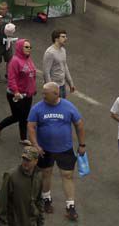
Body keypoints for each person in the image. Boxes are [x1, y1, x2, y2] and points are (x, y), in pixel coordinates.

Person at [27, 82, 85, 221]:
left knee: (67, 175)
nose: (43, 96)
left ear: (56, 94)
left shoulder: (68, 106)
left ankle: (70, 206)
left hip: (65, 149)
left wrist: (82, 144)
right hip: (44, 149)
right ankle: (46, 199)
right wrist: (35, 145)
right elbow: (31, 126)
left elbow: (79, 124)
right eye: (43, 94)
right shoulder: (37, 108)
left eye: (45, 94)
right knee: (46, 173)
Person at [0, 39, 37, 145]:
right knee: (18, 116)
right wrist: (16, 91)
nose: (29, 49)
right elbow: (11, 78)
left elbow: (32, 75)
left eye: (30, 47)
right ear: (19, 48)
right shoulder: (15, 61)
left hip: (27, 94)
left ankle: (23, 138)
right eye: (26, 47)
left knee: (25, 116)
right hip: (15, 95)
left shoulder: (28, 59)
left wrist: (33, 89)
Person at [0, 147, 45, 226]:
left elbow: (39, 200)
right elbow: (2, 204)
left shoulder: (38, 176)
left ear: (36, 161)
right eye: (24, 159)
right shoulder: (11, 176)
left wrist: (41, 222)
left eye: (28, 160)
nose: (25, 162)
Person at [43, 31, 76, 99]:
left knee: (61, 107)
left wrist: (70, 83)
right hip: (54, 87)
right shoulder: (50, 53)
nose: (66, 38)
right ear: (56, 39)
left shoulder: (63, 50)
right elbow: (46, 73)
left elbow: (65, 67)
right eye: (63, 37)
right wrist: (51, 89)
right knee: (54, 108)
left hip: (62, 85)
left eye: (66, 36)